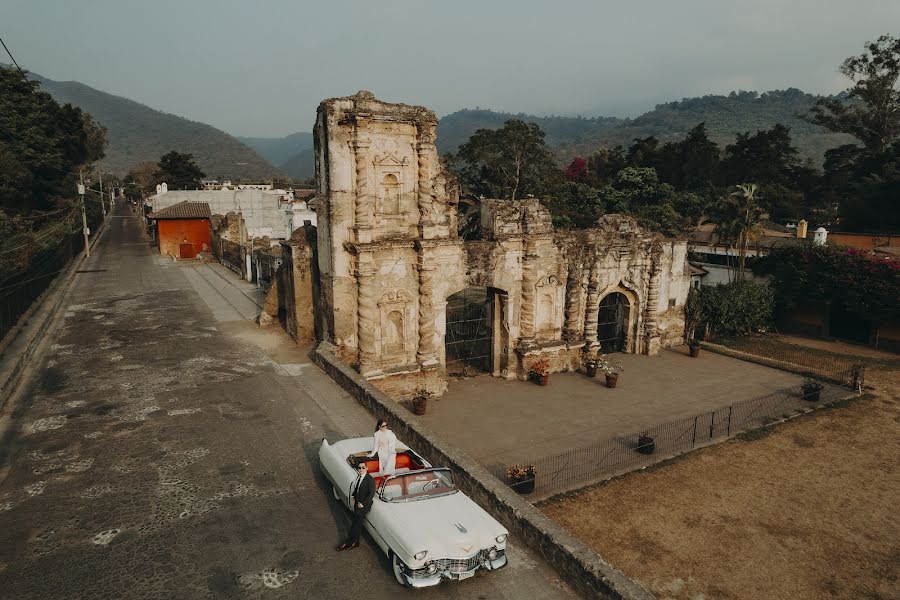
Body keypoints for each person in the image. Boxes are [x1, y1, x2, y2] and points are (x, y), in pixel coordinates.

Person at [336, 461, 375, 551]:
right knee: (357, 523)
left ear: (367, 468)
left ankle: (347, 542)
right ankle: (356, 542)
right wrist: (353, 496)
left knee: (355, 524)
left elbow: (371, 494)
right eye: (359, 468)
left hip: (364, 506)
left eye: (363, 468)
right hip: (357, 504)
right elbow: (357, 488)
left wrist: (363, 504)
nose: (361, 470)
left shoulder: (370, 479)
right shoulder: (359, 477)